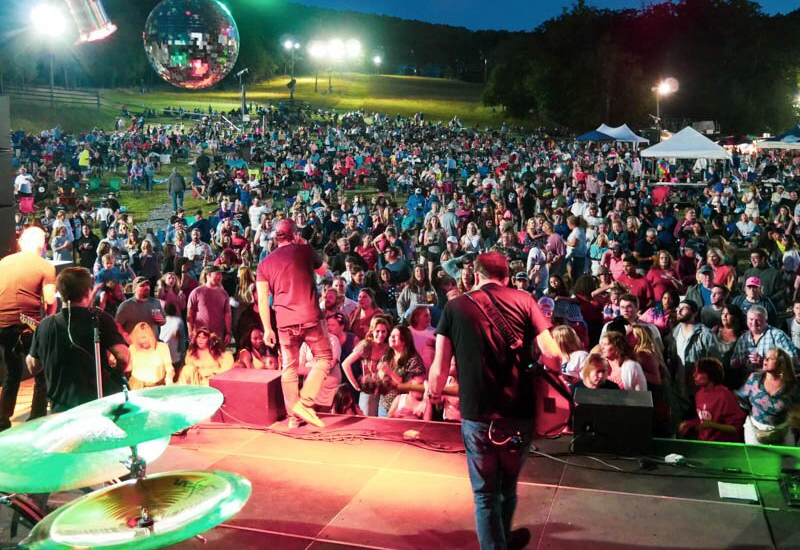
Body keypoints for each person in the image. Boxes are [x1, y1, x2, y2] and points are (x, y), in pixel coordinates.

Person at [428, 251, 560, 550]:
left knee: (486, 493)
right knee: (507, 485)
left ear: (475, 276)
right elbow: (552, 354)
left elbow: (439, 366)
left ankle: (495, 544)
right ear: (508, 277)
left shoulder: (455, 306)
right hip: (519, 411)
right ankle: (502, 538)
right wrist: (551, 387)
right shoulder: (525, 300)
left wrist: (434, 392)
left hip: (477, 414)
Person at [256, 218, 333, 428]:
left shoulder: (264, 264)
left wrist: (267, 328)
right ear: (294, 234)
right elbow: (324, 272)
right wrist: (304, 244)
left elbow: (262, 299)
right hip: (310, 317)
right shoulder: (305, 251)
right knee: (325, 358)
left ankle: (294, 417)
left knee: (289, 366)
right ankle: (305, 402)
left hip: (284, 322)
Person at [26, 267, 129, 413]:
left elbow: (33, 366)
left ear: (59, 293)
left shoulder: (45, 325)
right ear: (88, 291)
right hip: (98, 404)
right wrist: (115, 375)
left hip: (61, 408)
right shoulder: (99, 318)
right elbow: (123, 357)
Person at [0, 227, 56, 430]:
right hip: (28, 324)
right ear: (41, 245)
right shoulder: (44, 266)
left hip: (3, 324)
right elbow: (50, 301)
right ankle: (37, 418)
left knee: (12, 373)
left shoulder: (4, 262)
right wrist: (48, 325)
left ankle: (2, 419)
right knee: (40, 372)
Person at [735, 348, 799, 446]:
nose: (766, 360)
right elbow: (741, 398)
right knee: (756, 460)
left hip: (782, 432)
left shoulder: (792, 385)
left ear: (782, 363)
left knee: (789, 461)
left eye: (771, 358)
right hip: (755, 430)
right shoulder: (754, 378)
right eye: (766, 357)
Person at [678, 357, 746, 442]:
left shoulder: (724, 395)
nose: (694, 375)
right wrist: (689, 424)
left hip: (721, 447)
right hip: (704, 443)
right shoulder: (699, 394)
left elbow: (735, 428)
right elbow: (705, 418)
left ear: (710, 374)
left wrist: (712, 425)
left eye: (699, 372)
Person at [186, 266, 232, 346]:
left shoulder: (224, 294)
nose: (220, 276)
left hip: (218, 337)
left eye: (221, 274)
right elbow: (190, 314)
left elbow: (227, 314)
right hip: (200, 336)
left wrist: (228, 332)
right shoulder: (196, 292)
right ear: (208, 275)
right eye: (218, 273)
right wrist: (191, 332)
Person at [115, 276, 166, 343]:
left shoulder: (155, 303)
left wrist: (162, 320)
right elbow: (117, 324)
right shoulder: (126, 306)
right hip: (135, 345)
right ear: (134, 289)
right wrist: (125, 335)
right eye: (142, 285)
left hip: (153, 344)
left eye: (147, 285)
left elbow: (163, 321)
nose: (146, 287)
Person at [127, 322, 174, 388]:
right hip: (136, 386)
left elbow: (169, 368)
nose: (142, 341)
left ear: (151, 336)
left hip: (158, 386)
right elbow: (127, 368)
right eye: (139, 339)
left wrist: (169, 380)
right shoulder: (132, 348)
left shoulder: (162, 347)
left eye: (144, 338)